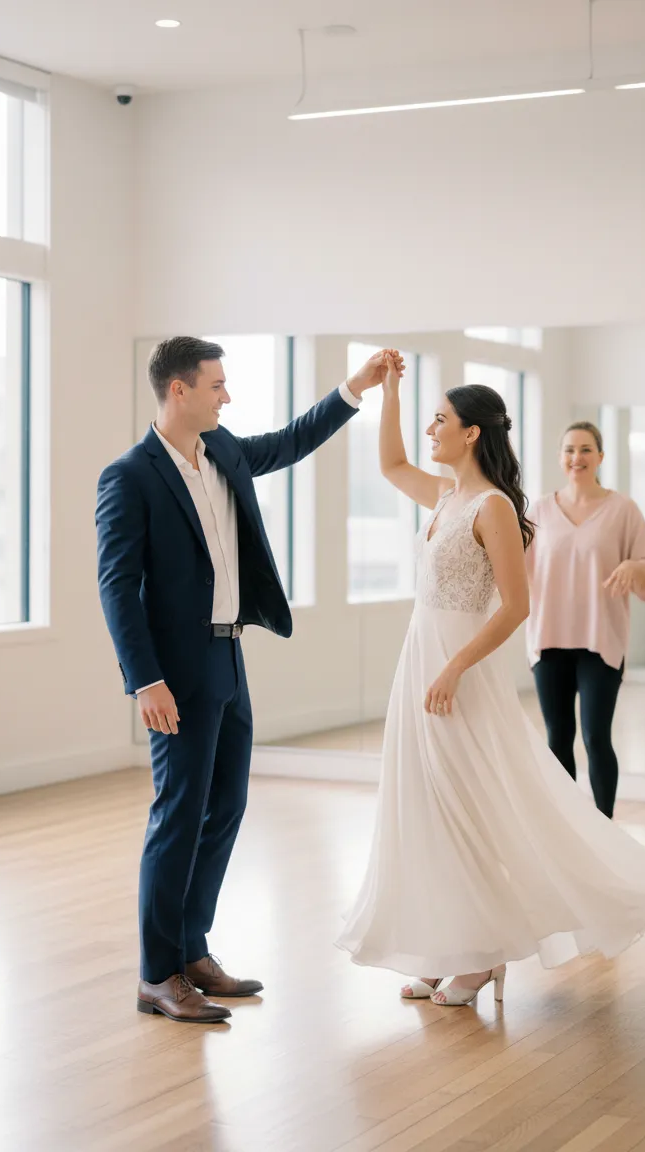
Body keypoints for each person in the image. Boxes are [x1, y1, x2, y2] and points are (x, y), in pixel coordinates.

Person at [336, 359, 645, 1007]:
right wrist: (388, 392)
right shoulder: (445, 496)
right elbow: (389, 464)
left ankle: (485, 955)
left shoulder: (494, 506)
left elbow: (516, 606)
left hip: (458, 668)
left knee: (471, 808)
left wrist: (455, 666)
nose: (430, 427)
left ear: (471, 433)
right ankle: (452, 949)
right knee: (429, 807)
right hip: (421, 659)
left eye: (440, 418)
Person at [97, 336, 399, 1023]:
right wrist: (145, 681)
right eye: (215, 385)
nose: (225, 395)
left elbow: (291, 442)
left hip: (229, 658)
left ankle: (191, 948)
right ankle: (156, 974)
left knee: (225, 807)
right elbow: (117, 587)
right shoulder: (130, 476)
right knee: (177, 815)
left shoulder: (224, 450)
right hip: (175, 672)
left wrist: (357, 386)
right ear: (178, 389)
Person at [525, 422, 645, 819]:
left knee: (596, 737)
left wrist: (634, 566)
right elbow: (515, 571)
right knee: (558, 739)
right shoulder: (538, 511)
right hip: (549, 640)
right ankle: (570, 832)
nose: (576, 458)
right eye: (569, 450)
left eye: (586, 450)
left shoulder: (623, 510)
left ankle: (605, 830)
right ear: (559, 457)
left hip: (601, 640)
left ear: (600, 457)